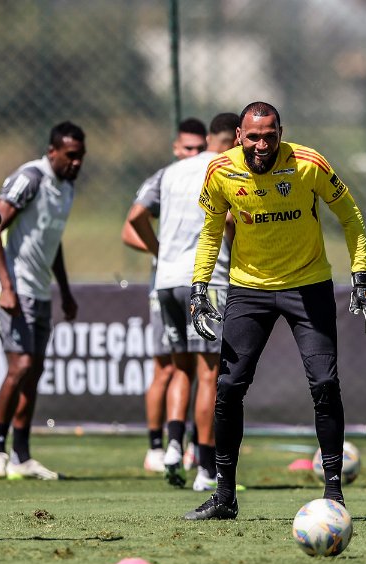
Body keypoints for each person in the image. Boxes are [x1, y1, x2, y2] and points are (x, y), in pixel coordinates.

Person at [183, 101, 366, 521]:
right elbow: (210, 230)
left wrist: (361, 278)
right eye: (253, 136)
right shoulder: (220, 170)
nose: (261, 145)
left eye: (269, 136)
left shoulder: (309, 164)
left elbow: (351, 217)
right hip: (248, 289)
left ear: (281, 133)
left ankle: (334, 495)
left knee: (325, 384)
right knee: (228, 388)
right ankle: (224, 496)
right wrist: (199, 286)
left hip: (308, 286)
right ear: (239, 136)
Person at [129, 112, 240, 491]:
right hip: (205, 280)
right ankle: (206, 468)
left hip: (166, 281)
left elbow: (136, 216)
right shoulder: (226, 167)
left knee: (179, 369)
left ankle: (174, 446)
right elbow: (227, 223)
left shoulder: (171, 172)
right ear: (235, 139)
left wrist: (160, 252)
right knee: (210, 374)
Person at [0, 121, 86, 480]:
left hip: (40, 289)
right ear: (53, 151)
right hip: (11, 287)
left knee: (35, 371)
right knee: (21, 365)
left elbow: (51, 245)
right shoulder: (31, 177)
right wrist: (6, 285)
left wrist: (66, 291)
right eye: (70, 156)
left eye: (81, 157)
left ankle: (22, 455)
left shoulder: (67, 187)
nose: (76, 163)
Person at [121, 118, 208, 475]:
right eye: (187, 148)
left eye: (199, 148)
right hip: (170, 282)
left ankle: (184, 445)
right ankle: (156, 447)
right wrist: (160, 252)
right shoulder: (165, 178)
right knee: (168, 367)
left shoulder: (209, 172)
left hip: (195, 280)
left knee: (194, 368)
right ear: (176, 148)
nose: (193, 154)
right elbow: (130, 227)